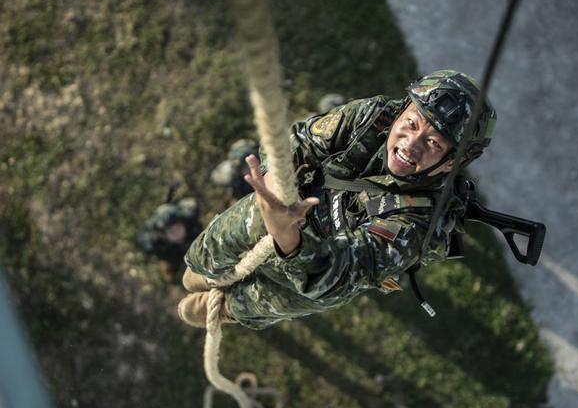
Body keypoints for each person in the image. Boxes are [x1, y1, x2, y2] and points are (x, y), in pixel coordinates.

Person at [178, 69, 496, 329]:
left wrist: (287, 236)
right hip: (279, 210)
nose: (410, 145)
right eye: (410, 124)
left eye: (433, 144)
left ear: (453, 162)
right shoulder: (370, 118)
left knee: (222, 308)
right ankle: (204, 273)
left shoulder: (420, 223)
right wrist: (276, 186)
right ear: (401, 111)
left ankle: (223, 308)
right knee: (198, 265)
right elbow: (299, 140)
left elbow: (335, 276)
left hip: (311, 275)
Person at [135, 197, 202, 281]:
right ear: (164, 234)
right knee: (169, 270)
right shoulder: (156, 242)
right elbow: (141, 240)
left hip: (192, 245)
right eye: (171, 231)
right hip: (172, 253)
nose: (177, 233)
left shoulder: (191, 223)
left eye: (178, 227)